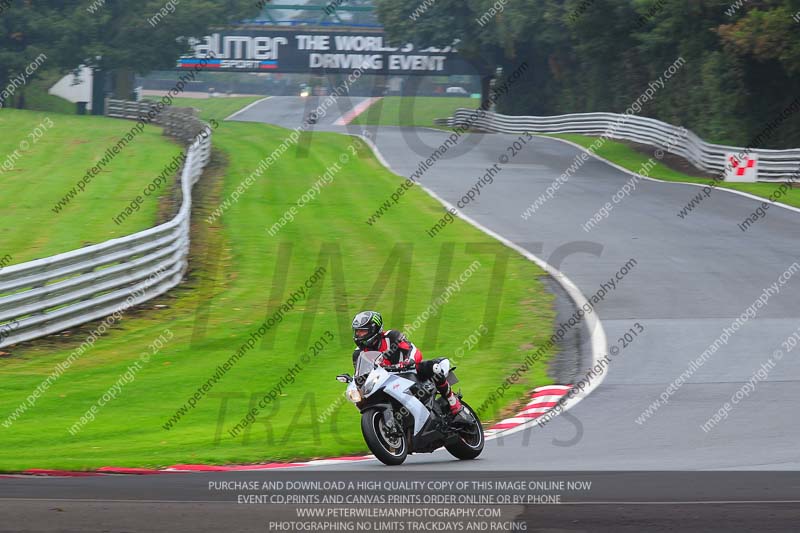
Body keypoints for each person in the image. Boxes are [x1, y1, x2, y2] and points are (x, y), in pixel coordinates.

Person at [351, 310, 464, 417]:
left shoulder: (391, 336)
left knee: (433, 367)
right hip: (384, 381)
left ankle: (452, 400)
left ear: (374, 329)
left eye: (362, 331)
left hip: (407, 370)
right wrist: (354, 382)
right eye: (357, 331)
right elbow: (361, 373)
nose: (358, 335)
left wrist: (409, 361)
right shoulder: (358, 353)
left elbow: (412, 350)